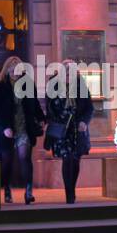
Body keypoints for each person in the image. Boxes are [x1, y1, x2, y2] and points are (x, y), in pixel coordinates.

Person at [0, 55, 45, 204]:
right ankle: (7, 189)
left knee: (24, 158)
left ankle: (28, 191)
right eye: (12, 69)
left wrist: (41, 118)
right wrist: (5, 127)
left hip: (24, 126)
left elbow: (35, 104)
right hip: (7, 127)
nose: (15, 72)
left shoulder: (28, 84)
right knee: (7, 160)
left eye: (17, 69)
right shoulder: (0, 86)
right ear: (7, 70)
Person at [44, 59, 94, 204]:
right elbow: (49, 108)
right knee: (67, 159)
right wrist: (51, 120)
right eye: (65, 71)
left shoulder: (81, 86)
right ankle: (69, 195)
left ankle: (72, 189)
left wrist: (84, 121)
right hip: (61, 129)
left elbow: (89, 108)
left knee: (76, 160)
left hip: (77, 129)